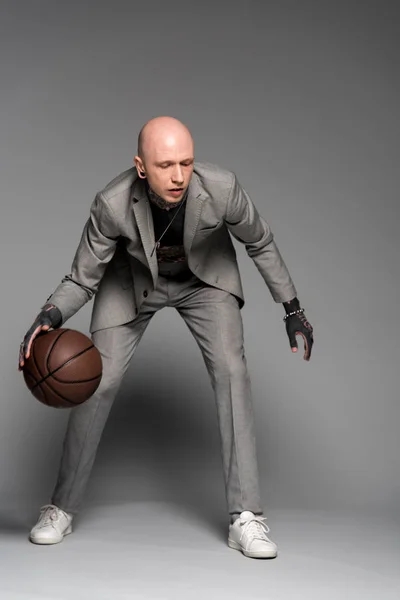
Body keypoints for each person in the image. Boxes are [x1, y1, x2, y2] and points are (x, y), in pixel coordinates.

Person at [18, 116, 314, 559]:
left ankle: (246, 517)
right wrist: (50, 313)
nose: (178, 176)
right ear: (141, 167)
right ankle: (61, 506)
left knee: (232, 374)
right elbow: (82, 278)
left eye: (186, 163)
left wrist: (293, 309)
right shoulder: (111, 203)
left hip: (205, 282)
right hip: (133, 283)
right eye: (165, 166)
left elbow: (261, 242)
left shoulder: (223, 188)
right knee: (98, 382)